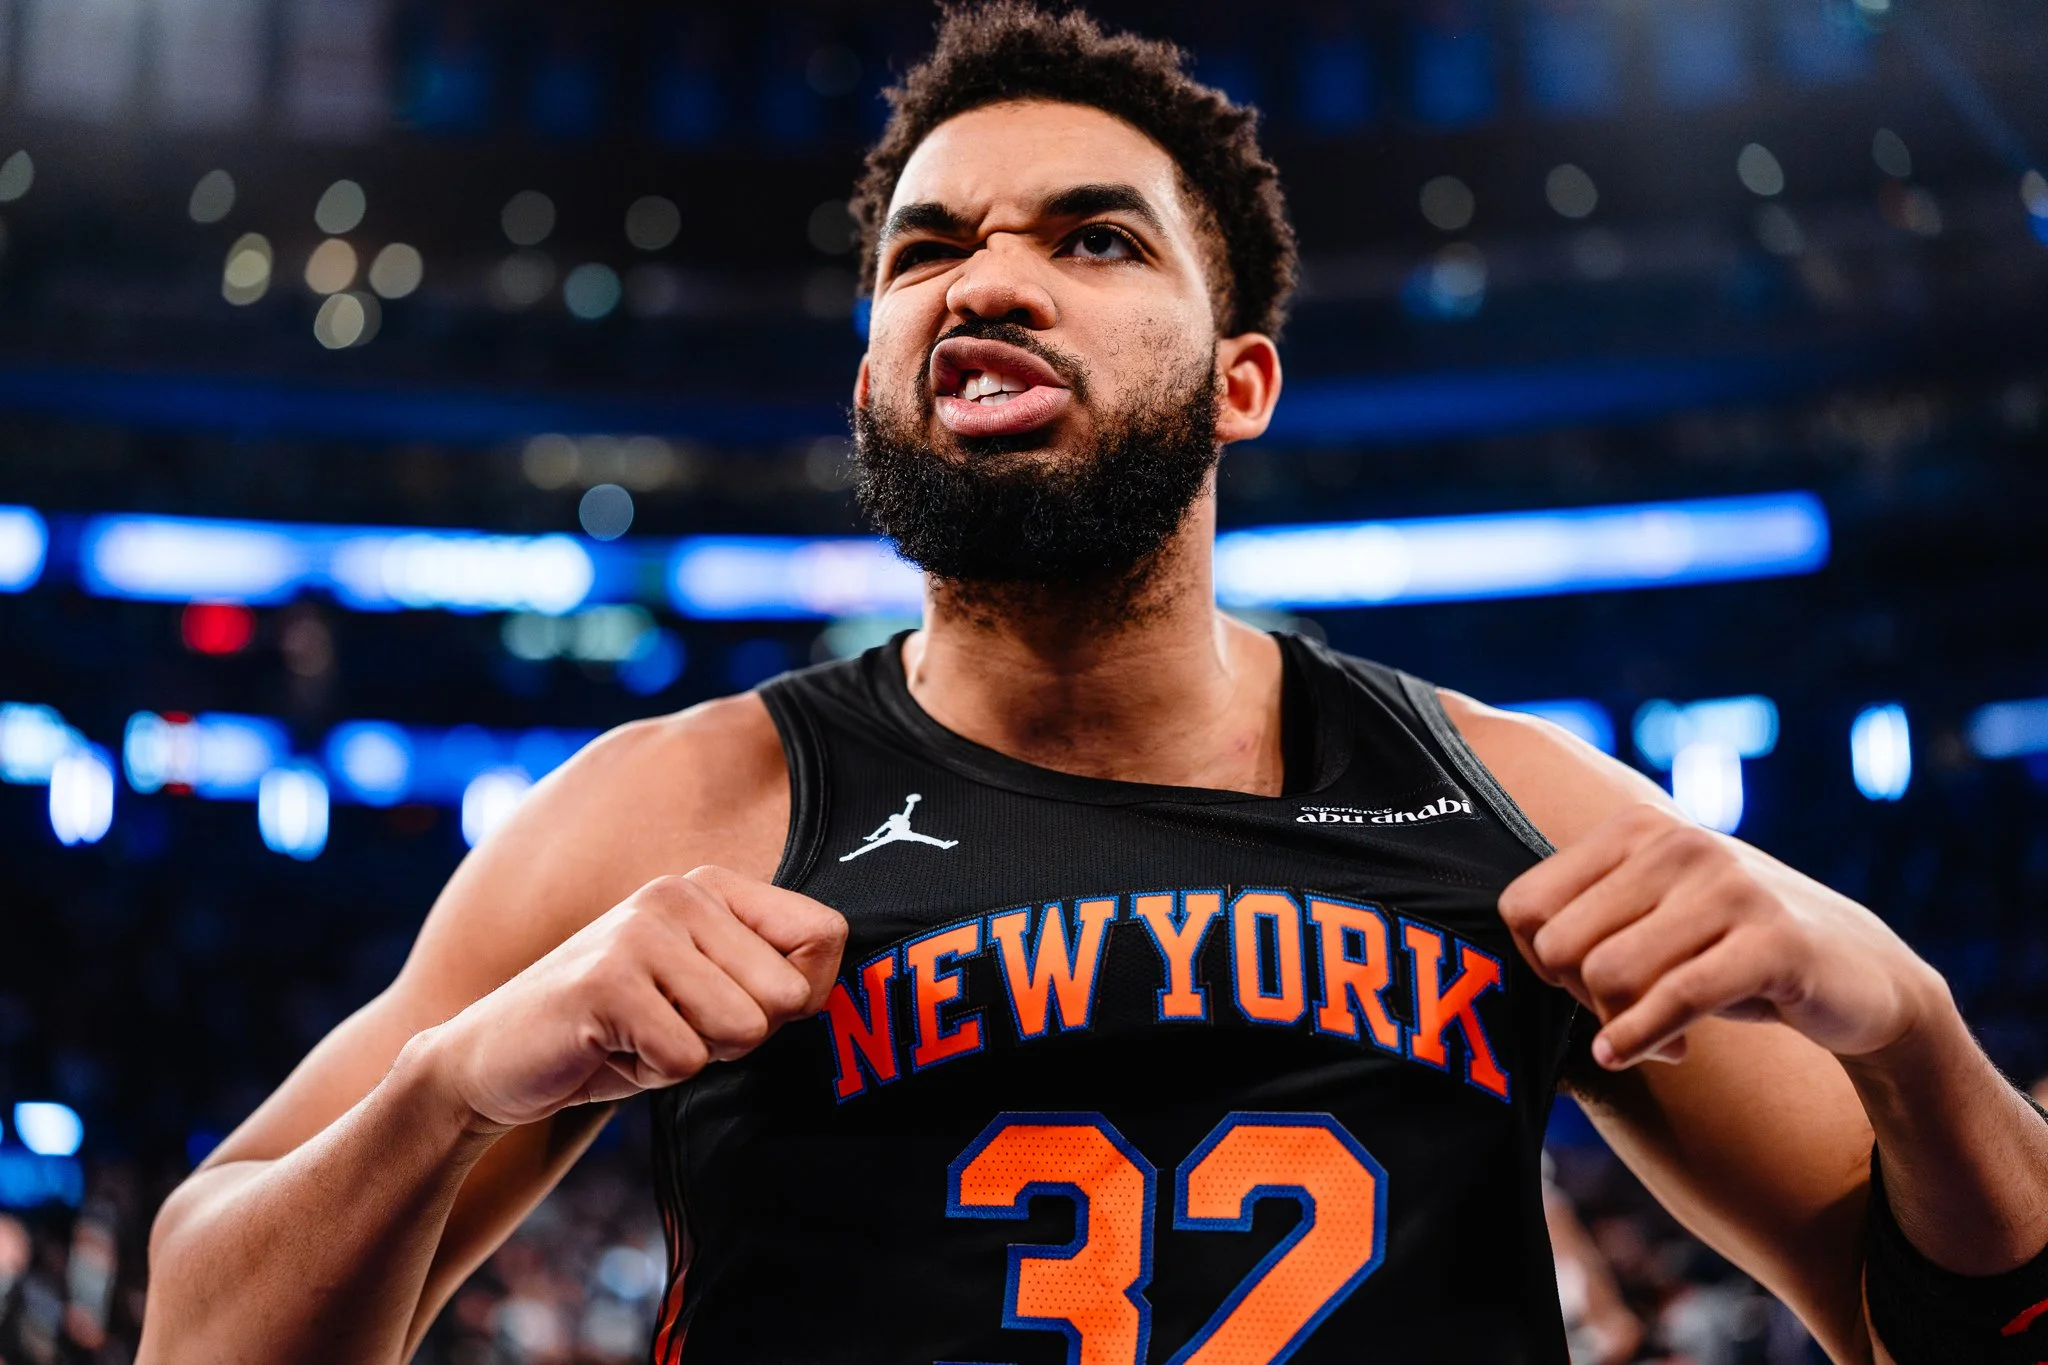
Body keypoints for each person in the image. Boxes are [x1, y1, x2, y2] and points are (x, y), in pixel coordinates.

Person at [140, 6, 2048, 1363]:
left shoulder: (1518, 809)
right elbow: (203, 1328)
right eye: (928, 251)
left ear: (1241, 383)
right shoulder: (672, 814)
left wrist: (1917, 1035)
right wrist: (454, 1086)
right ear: (877, 378)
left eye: (1093, 237)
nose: (985, 281)